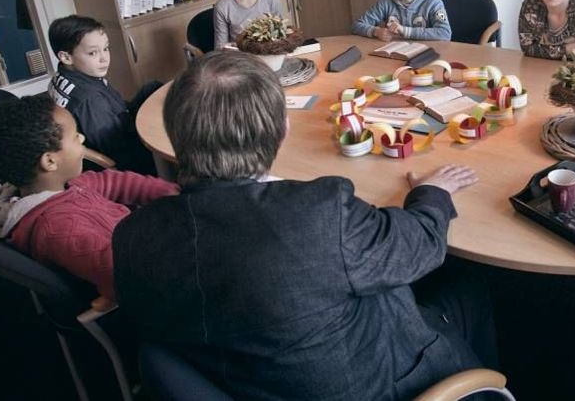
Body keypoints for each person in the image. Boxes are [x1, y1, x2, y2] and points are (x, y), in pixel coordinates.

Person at [112, 51, 496, 400]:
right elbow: (420, 246)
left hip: (248, 382)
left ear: (176, 137)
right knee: (471, 286)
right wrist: (431, 193)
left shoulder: (132, 238)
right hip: (384, 384)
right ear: (283, 130)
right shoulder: (318, 215)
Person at [0, 94, 177, 300]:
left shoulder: (65, 186)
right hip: (156, 280)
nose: (82, 138)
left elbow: (117, 182)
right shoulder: (59, 230)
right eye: (75, 136)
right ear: (50, 162)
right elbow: (126, 276)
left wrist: (175, 194)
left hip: (142, 242)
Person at [48, 14, 159, 174]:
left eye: (106, 49)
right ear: (66, 57)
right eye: (93, 53)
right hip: (122, 156)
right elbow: (115, 147)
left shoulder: (63, 76)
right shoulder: (89, 99)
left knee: (152, 87)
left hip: (115, 119)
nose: (104, 58)